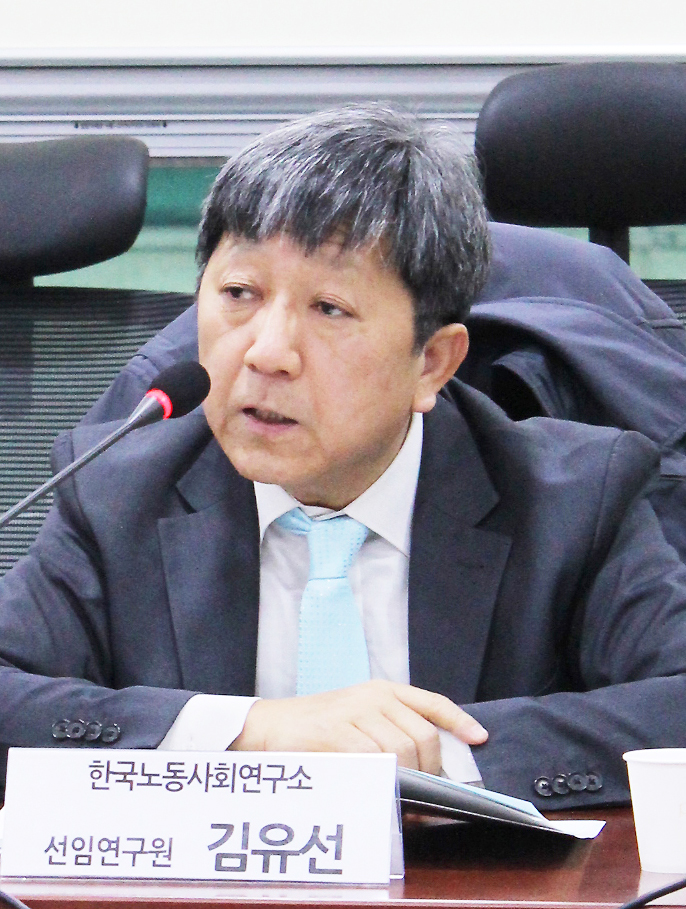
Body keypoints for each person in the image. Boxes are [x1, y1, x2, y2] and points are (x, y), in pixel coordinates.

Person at [2, 105, 686, 811]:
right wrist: (249, 733)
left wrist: (424, 756)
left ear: (432, 362)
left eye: (329, 308)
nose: (267, 352)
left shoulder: (573, 500)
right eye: (239, 293)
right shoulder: (118, 493)